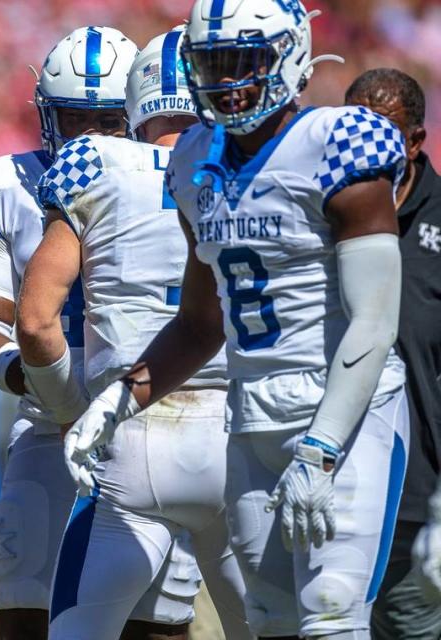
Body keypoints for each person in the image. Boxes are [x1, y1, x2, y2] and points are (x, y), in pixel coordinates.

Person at [67, 0, 411, 637]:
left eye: (242, 63)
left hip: (346, 411)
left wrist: (323, 446)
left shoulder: (340, 143)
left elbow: (373, 322)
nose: (225, 82)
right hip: (249, 414)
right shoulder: (195, 159)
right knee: (269, 622)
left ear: (291, 56)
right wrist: (119, 399)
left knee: (332, 613)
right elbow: (200, 323)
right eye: (211, 64)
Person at [0, 25, 202, 640]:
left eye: (108, 121)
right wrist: (56, 395)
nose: (90, 138)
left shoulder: (177, 177)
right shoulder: (8, 183)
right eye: (74, 119)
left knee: (160, 623)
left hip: (154, 413)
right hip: (49, 422)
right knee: (26, 609)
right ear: (47, 113)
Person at [18, 27, 249, 640]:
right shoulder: (247, 169)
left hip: (132, 436)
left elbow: (37, 323)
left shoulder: (98, 161)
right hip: (238, 435)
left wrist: (76, 414)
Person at [342, 68, 441, 640]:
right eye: (353, 126)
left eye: (383, 129)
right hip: (332, 480)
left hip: (417, 497)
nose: (367, 143)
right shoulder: (316, 210)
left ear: (415, 142)